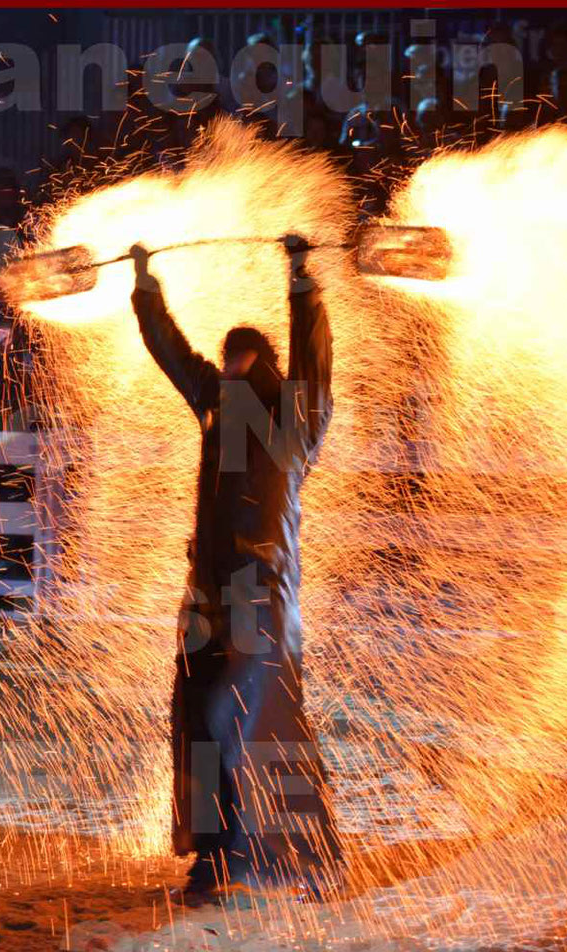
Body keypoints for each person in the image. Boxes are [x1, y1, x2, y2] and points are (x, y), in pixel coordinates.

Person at [129, 235, 342, 903]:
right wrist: (145, 285)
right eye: (224, 358)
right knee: (197, 718)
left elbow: (315, 357)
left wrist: (303, 279)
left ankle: (260, 850)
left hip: (262, 591)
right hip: (208, 592)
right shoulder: (216, 406)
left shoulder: (294, 414)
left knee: (235, 713)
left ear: (264, 362)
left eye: (237, 357)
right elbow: (171, 353)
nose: (225, 365)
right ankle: (213, 858)